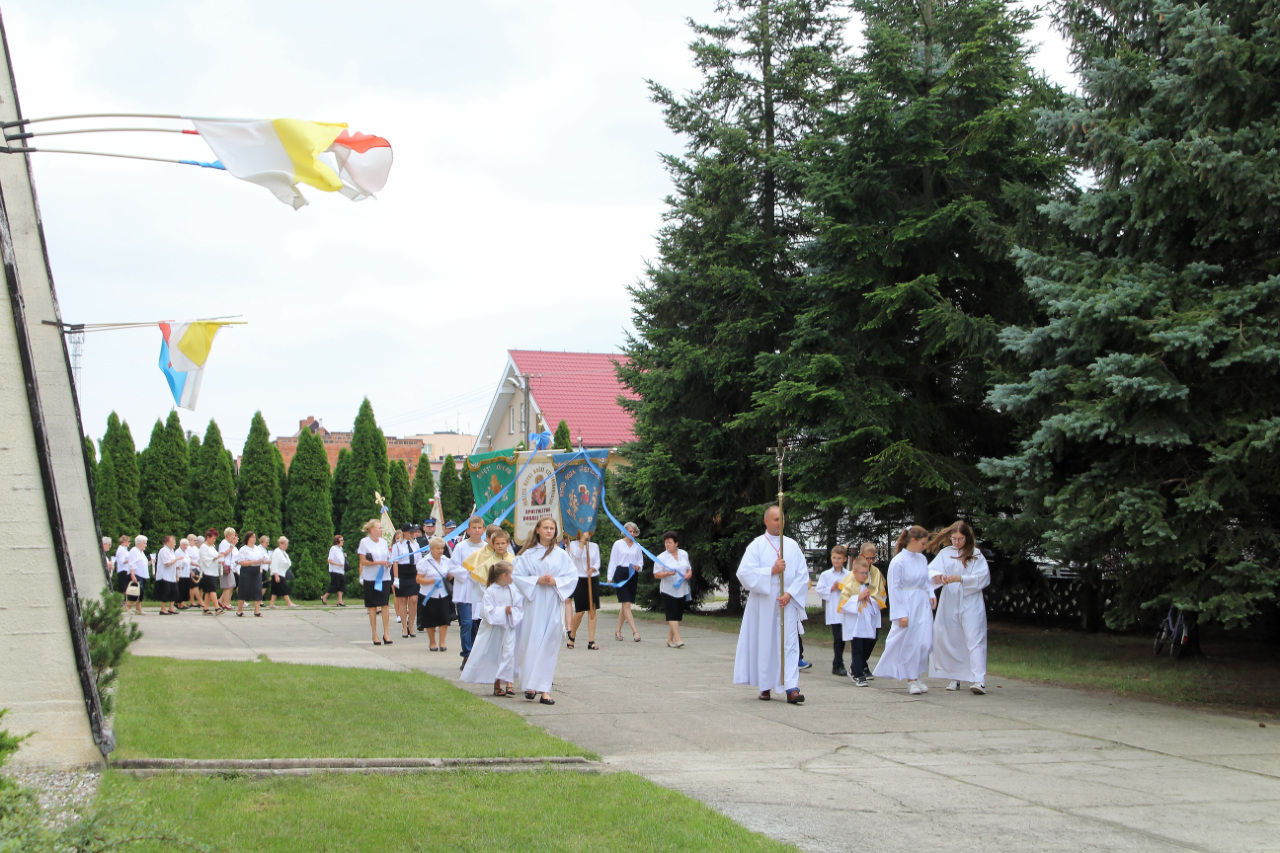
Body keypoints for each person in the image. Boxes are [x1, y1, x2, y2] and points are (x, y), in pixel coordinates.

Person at [733, 505, 809, 704]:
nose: (779, 523)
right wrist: (771, 571)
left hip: (787, 603)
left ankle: (791, 688)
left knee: (789, 644)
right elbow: (744, 573)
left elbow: (802, 575)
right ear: (766, 521)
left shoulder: (792, 545)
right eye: (775, 519)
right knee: (765, 642)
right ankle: (765, 685)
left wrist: (790, 594)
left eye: (782, 519)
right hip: (763, 603)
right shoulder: (757, 545)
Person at [512, 517, 577, 705]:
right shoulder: (528, 554)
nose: (549, 531)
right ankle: (530, 685)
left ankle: (545, 689)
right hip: (534, 603)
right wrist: (536, 580)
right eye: (546, 528)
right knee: (532, 642)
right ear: (538, 530)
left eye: (552, 528)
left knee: (549, 645)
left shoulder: (561, 555)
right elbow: (516, 575)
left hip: (553, 603)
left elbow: (572, 576)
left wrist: (556, 581)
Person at [927, 521, 991, 694]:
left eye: (960, 539)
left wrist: (962, 579)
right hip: (950, 598)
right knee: (951, 636)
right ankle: (954, 676)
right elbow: (930, 572)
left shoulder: (975, 554)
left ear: (967, 538)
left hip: (970, 599)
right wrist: (940, 577)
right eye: (954, 539)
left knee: (974, 637)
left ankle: (979, 679)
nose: (956, 542)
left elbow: (983, 577)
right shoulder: (945, 553)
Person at [872, 526, 936, 694]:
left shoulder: (921, 559)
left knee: (925, 642)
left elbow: (926, 580)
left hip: (921, 604)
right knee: (910, 642)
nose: (924, 547)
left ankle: (916, 673)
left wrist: (931, 594)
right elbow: (894, 589)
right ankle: (911, 679)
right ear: (913, 540)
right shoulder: (898, 561)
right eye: (923, 543)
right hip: (907, 604)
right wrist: (900, 613)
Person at [460, 560, 523, 697]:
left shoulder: (512, 590)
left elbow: (519, 607)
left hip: (508, 627)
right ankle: (497, 685)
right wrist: (503, 611)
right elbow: (486, 612)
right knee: (495, 655)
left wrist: (512, 612)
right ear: (504, 576)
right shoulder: (491, 591)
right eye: (512, 574)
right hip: (494, 630)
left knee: (508, 653)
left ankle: (509, 683)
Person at [838, 549, 886, 686]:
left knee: (866, 645)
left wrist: (870, 600)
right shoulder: (849, 586)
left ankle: (855, 668)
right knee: (857, 648)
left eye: (866, 573)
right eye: (862, 573)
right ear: (854, 573)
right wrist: (858, 598)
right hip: (855, 623)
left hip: (867, 622)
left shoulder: (870, 587)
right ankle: (859, 675)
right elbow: (843, 604)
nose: (865, 576)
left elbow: (879, 602)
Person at [447, 516, 485, 667]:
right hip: (465, 589)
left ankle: (476, 654)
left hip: (480, 590)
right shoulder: (461, 547)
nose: (477, 530)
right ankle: (467, 654)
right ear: (468, 530)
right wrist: (468, 572)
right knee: (467, 623)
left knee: (477, 624)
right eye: (474, 528)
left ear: (483, 530)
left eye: (479, 528)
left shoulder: (487, 548)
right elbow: (453, 566)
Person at [654, 531, 693, 648]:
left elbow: (689, 569)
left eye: (670, 542)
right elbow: (656, 574)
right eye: (666, 542)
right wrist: (667, 573)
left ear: (676, 543)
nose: (667, 545)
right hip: (668, 589)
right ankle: (678, 638)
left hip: (682, 588)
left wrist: (688, 574)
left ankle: (670, 640)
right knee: (671, 614)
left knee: (677, 614)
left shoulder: (683, 554)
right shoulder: (661, 557)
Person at [358, 518, 394, 645]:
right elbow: (363, 561)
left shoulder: (383, 542)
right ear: (372, 530)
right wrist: (378, 563)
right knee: (372, 606)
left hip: (384, 577)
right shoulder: (364, 542)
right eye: (379, 528)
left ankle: (386, 633)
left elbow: (387, 557)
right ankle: (374, 634)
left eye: (381, 528)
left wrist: (388, 563)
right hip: (371, 578)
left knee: (385, 605)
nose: (381, 530)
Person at [815, 545, 850, 675]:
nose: (836, 560)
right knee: (838, 637)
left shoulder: (849, 575)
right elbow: (819, 590)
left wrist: (843, 588)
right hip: (834, 610)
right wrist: (831, 588)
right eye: (834, 558)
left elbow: (853, 589)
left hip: (846, 610)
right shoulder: (826, 575)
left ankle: (839, 663)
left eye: (839, 558)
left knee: (843, 638)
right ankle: (838, 664)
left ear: (844, 559)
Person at [608, 522, 645, 642]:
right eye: (630, 531)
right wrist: (609, 577)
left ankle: (618, 631)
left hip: (632, 575)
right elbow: (613, 561)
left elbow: (640, 562)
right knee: (627, 604)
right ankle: (635, 632)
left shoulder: (637, 546)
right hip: (620, 574)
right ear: (624, 532)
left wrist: (638, 567)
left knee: (625, 605)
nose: (632, 534)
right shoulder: (618, 544)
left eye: (634, 532)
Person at [416, 537, 454, 650]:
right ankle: (432, 642)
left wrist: (450, 576)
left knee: (444, 618)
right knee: (430, 619)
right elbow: (418, 579)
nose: (440, 551)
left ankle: (442, 642)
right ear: (431, 549)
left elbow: (449, 575)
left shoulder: (446, 560)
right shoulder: (424, 562)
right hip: (428, 594)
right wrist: (432, 581)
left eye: (442, 548)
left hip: (443, 593)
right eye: (438, 548)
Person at [566, 530, 601, 650]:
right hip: (579, 579)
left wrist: (593, 568)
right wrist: (582, 542)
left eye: (589, 532)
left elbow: (597, 562)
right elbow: (576, 556)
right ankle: (572, 635)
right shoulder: (573, 545)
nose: (587, 534)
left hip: (592, 578)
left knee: (592, 610)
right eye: (585, 532)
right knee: (580, 611)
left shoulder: (594, 546)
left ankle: (591, 641)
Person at [390, 524, 420, 638]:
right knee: (402, 600)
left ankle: (411, 625)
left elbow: (419, 560)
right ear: (405, 532)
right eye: (410, 532)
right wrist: (396, 578)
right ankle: (404, 627)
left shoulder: (416, 544)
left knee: (413, 599)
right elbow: (395, 562)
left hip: (413, 572)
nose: (413, 534)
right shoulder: (397, 545)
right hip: (402, 572)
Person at [235, 531, 265, 617]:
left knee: (257, 590)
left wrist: (262, 561)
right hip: (246, 571)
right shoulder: (243, 549)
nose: (254, 539)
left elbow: (263, 558)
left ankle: (257, 611)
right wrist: (253, 562)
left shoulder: (258, 549)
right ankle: (239, 610)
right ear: (248, 539)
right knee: (243, 590)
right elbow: (241, 562)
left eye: (255, 537)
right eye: (252, 537)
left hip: (256, 570)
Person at [154, 535, 182, 616]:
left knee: (174, 591)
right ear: (167, 542)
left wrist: (176, 575)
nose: (174, 544)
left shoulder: (171, 551)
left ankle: (171, 608)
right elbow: (167, 563)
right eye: (173, 542)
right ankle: (163, 609)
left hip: (171, 575)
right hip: (164, 575)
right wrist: (177, 559)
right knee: (166, 592)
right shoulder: (163, 550)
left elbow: (174, 565)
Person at [197, 528, 221, 614]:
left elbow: (216, 556)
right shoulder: (204, 547)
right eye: (213, 538)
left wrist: (218, 560)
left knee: (208, 590)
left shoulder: (212, 547)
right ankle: (217, 608)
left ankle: (206, 608)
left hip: (213, 571)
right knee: (212, 590)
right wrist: (213, 558)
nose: (214, 540)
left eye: (215, 539)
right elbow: (203, 559)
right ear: (208, 537)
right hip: (207, 571)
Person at [125, 535, 150, 615]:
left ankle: (138, 608)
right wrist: (133, 575)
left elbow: (143, 563)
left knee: (141, 593)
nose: (145, 545)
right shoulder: (134, 551)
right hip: (137, 574)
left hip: (143, 574)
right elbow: (132, 564)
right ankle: (128, 605)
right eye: (144, 543)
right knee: (137, 592)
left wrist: (150, 562)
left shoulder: (141, 552)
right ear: (139, 543)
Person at [269, 537, 296, 609]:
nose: (286, 546)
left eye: (287, 544)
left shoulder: (283, 552)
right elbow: (274, 564)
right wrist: (276, 575)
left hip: (282, 573)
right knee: (284, 588)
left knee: (275, 590)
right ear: (280, 544)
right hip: (278, 573)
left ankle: (272, 604)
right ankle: (289, 603)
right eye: (285, 544)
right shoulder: (277, 552)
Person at [216, 527, 239, 611]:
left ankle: (227, 602)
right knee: (227, 585)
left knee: (231, 584)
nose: (234, 537)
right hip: (225, 565)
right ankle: (226, 603)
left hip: (229, 566)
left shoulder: (229, 544)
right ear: (228, 535)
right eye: (232, 535)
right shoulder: (224, 543)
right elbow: (222, 554)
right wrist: (230, 549)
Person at [321, 534, 347, 606]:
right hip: (334, 570)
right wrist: (337, 564)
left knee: (342, 585)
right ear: (337, 541)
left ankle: (340, 601)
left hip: (341, 570)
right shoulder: (333, 548)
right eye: (341, 540)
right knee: (335, 585)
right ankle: (324, 597)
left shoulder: (341, 549)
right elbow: (329, 560)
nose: (343, 541)